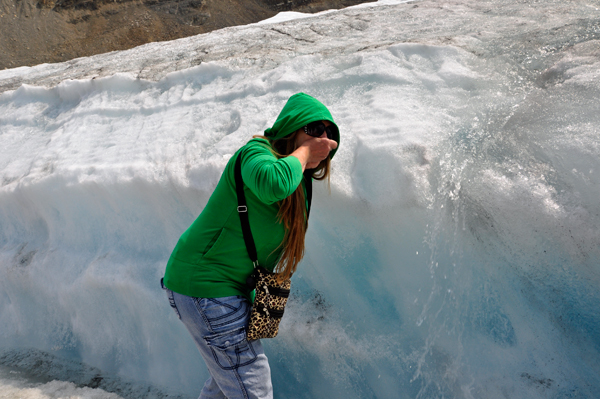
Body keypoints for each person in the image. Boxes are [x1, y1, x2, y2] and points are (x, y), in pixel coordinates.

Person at [161, 92, 340, 399]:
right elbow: (273, 184)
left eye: (329, 134)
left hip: (222, 291)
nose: (323, 140)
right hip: (206, 285)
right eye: (313, 130)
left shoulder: (301, 184)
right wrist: (305, 150)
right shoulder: (256, 153)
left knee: (226, 383)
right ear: (291, 129)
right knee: (251, 385)